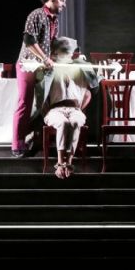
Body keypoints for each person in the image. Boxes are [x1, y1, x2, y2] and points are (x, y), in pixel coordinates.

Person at [11, 0, 66, 157]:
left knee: (43, 104)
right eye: (62, 0)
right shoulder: (36, 15)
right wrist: (44, 58)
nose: (64, 4)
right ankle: (17, 144)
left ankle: (35, 137)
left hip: (43, 67)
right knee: (24, 103)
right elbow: (29, 41)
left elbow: (51, 44)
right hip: (27, 65)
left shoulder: (54, 20)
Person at [35, 36, 94, 179]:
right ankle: (61, 163)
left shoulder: (79, 69)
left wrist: (79, 108)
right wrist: (46, 111)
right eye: (62, 52)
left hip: (74, 109)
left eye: (68, 52)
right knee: (63, 123)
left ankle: (69, 162)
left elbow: (88, 93)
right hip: (55, 110)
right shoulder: (50, 69)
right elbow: (39, 93)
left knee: (75, 122)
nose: (66, 55)